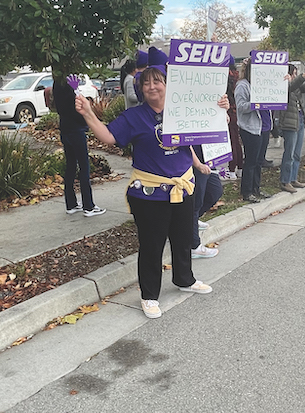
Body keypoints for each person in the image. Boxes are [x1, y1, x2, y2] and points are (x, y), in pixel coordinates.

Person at [75, 64, 229, 319]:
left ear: (168, 85)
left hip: (183, 188)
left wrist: (221, 109)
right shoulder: (135, 116)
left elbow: (200, 134)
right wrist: (89, 114)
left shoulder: (182, 111)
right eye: (146, 83)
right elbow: (109, 137)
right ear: (141, 89)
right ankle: (149, 295)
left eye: (157, 81)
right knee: (152, 246)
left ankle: (184, 279)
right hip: (149, 194)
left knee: (182, 240)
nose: (152, 86)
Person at [53, 76, 106, 217]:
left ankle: (71, 204)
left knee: (70, 165)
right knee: (84, 167)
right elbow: (78, 106)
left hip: (65, 129)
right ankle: (88, 206)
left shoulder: (56, 84)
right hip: (76, 130)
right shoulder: (69, 88)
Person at [278, 63, 305, 193]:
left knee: (297, 153)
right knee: (289, 153)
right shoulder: (285, 86)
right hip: (289, 123)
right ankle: (285, 180)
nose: (294, 76)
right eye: (293, 73)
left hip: (299, 120)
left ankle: (293, 178)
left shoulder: (296, 86)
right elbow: (292, 86)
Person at [234, 58, 264, 203]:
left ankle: (256, 188)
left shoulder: (258, 85)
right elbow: (240, 107)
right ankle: (247, 192)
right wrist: (255, 103)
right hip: (248, 127)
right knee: (250, 161)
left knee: (258, 161)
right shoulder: (242, 86)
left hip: (259, 126)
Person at [190, 145, 223, 258]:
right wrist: (197, 164)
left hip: (209, 157)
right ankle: (194, 246)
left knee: (215, 192)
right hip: (194, 162)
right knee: (196, 202)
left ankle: (192, 221)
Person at [224, 57, 242, 180]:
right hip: (237, 112)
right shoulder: (238, 77)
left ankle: (231, 170)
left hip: (229, 112)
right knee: (237, 141)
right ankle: (240, 167)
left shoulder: (226, 79)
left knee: (232, 142)